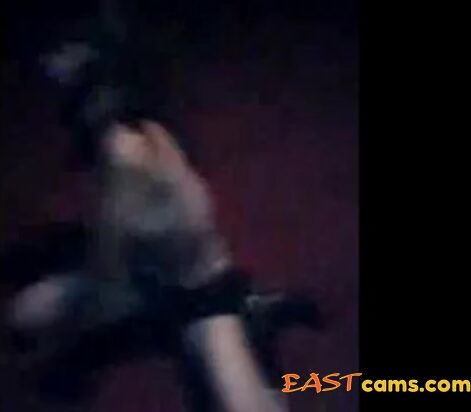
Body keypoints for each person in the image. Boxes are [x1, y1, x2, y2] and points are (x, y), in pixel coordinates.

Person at [8, 120, 288, 412]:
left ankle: (254, 317)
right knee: (24, 315)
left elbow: (115, 270)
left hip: (201, 300)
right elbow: (106, 271)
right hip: (141, 286)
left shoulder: (179, 201)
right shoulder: (114, 181)